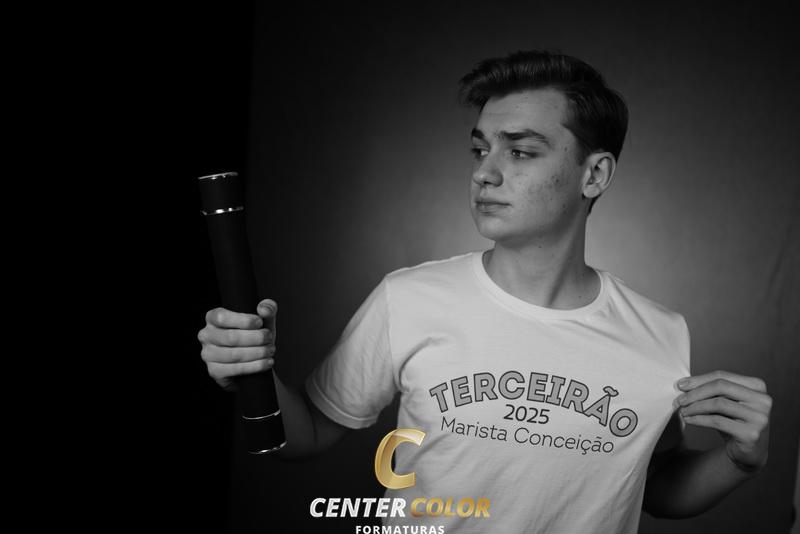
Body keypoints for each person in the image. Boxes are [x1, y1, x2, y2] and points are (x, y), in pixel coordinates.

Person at [197, 50, 772, 533]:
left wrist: (739, 460)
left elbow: (655, 487)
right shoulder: (410, 298)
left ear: (594, 175)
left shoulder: (661, 333)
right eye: (480, 149)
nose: (484, 173)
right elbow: (307, 434)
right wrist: (253, 372)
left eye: (519, 151)